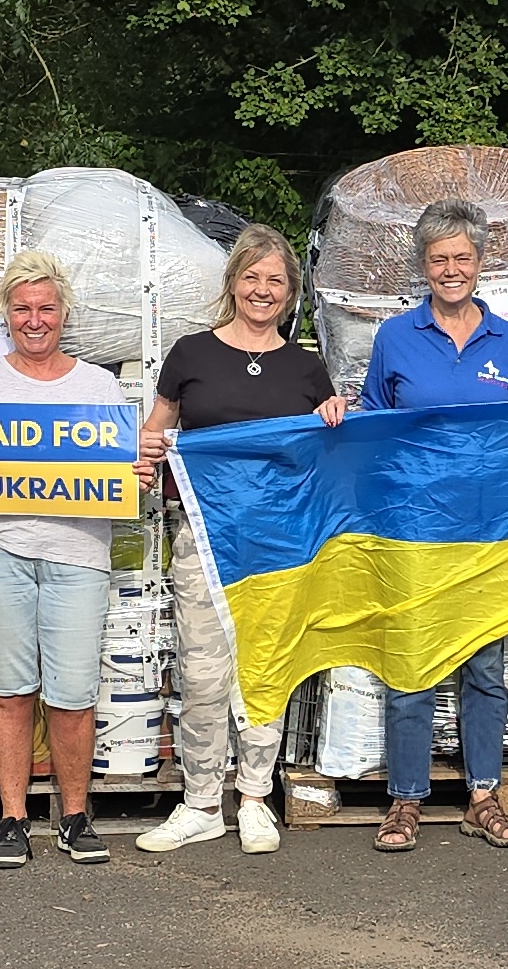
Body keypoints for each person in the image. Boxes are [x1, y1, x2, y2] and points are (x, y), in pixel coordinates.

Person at [0, 251, 158, 870]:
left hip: (77, 553)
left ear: (64, 315)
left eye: (46, 309)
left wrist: (138, 474)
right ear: (7, 316)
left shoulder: (99, 386)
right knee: (9, 690)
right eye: (22, 309)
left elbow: (124, 476)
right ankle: (12, 819)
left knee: (73, 693)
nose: (34, 320)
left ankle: (73, 815)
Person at [133, 224, 346, 856]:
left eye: (275, 281)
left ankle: (254, 798)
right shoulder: (191, 355)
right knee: (202, 672)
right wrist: (144, 457)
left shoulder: (308, 369)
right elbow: (154, 433)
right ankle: (200, 801)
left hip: (279, 544)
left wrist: (335, 420)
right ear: (233, 284)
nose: (262, 290)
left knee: (263, 670)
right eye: (251, 277)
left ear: (290, 294)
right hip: (202, 538)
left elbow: (330, 456)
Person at [358, 198, 508, 853]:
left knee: (485, 667)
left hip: (485, 532)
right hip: (413, 529)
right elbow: (374, 426)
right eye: (439, 259)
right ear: (424, 266)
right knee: (412, 665)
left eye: (462, 257)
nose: (451, 269)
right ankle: (406, 800)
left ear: (481, 263)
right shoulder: (396, 338)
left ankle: (482, 797)